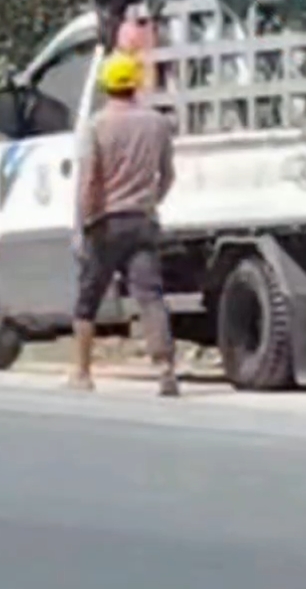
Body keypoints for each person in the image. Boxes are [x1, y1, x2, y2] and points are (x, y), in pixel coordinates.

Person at [71, 50, 179, 396]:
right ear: (136, 84)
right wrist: (150, 201)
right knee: (150, 296)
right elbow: (168, 175)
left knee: (88, 299)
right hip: (142, 221)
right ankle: (165, 369)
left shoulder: (97, 126)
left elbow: (89, 180)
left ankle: (82, 373)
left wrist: (82, 222)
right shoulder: (157, 124)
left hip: (105, 223)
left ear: (105, 85)